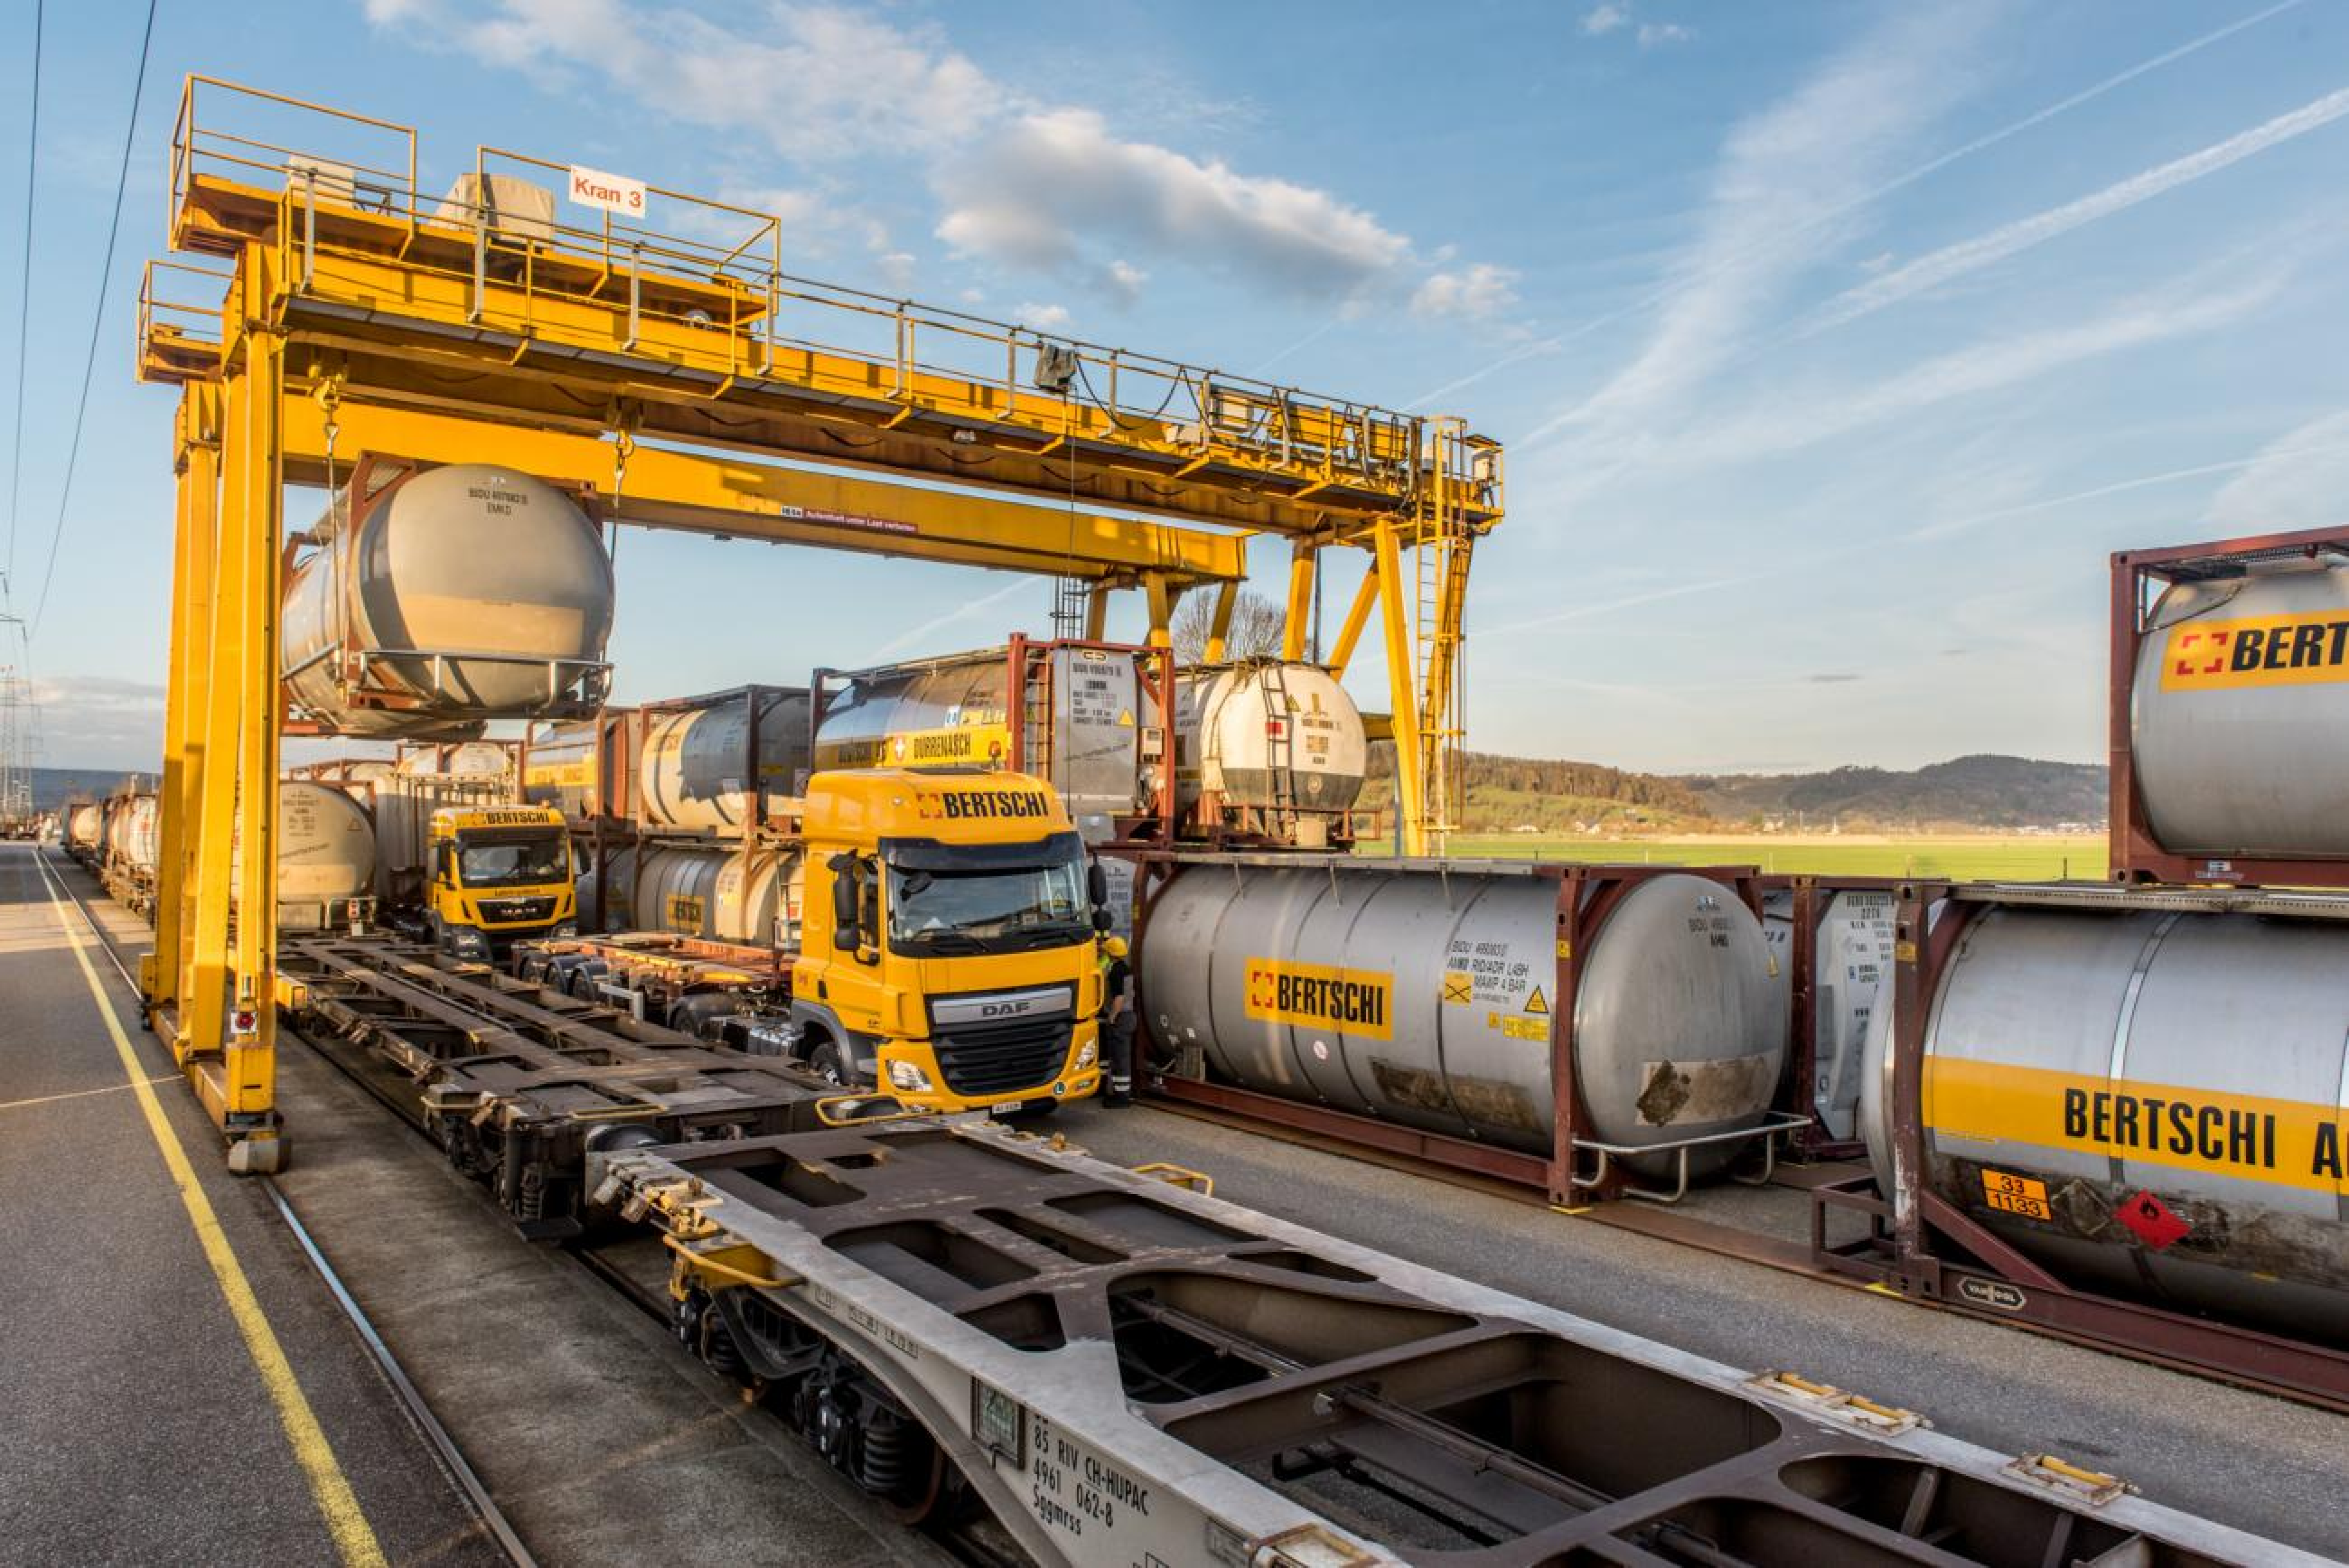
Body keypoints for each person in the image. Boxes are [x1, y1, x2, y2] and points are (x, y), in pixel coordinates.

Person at [1098, 934, 1135, 1108]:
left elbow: (1119, 998)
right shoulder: (1126, 969)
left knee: (1120, 1059)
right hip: (1128, 1017)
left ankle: (1122, 1098)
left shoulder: (1116, 972)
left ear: (1111, 954)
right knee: (1121, 1057)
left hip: (1121, 1018)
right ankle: (1121, 1094)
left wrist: (1112, 1017)